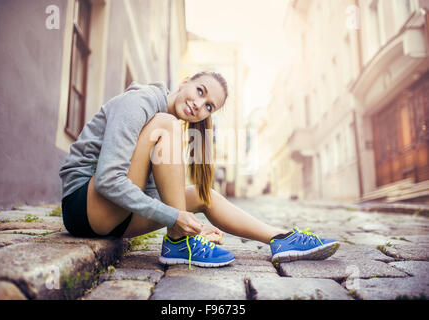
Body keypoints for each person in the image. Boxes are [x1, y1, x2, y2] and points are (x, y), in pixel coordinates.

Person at [59, 71, 340, 269]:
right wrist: (175, 217)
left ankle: (282, 239)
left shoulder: (166, 126)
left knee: (206, 195)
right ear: (185, 82)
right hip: (83, 207)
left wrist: (193, 225)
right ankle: (180, 243)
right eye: (200, 91)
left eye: (209, 106)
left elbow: (151, 194)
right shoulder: (143, 103)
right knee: (165, 124)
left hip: (115, 217)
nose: (199, 105)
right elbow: (109, 180)